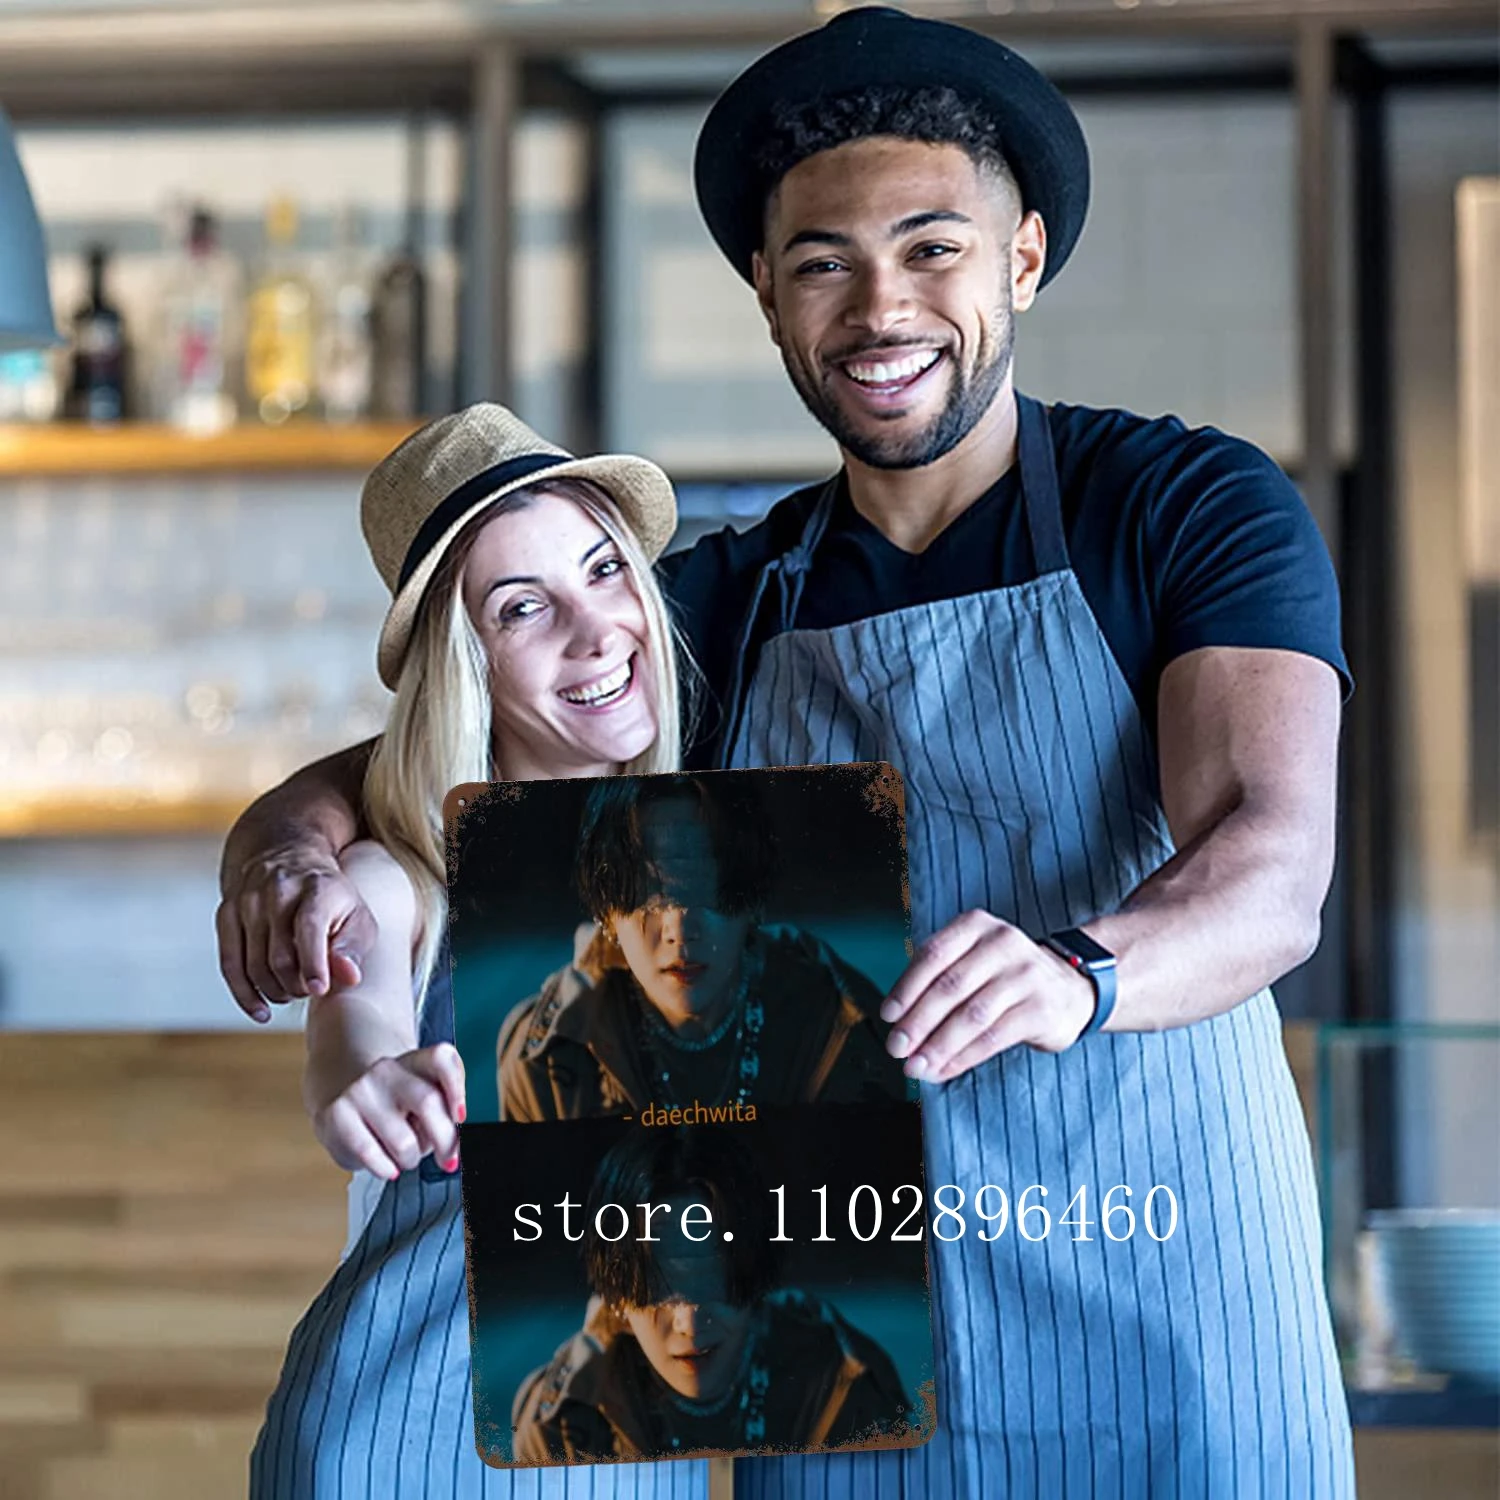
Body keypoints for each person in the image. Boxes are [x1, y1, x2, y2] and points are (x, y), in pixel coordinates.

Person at [219, 10, 1356, 1497]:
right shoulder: (726, 600)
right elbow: (423, 748)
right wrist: (282, 860)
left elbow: (1272, 870)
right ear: (767, 293)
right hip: (848, 1364)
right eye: (823, 262)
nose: (881, 308)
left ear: (1021, 258)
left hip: (1164, 1298)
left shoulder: (1179, 506)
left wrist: (1080, 972)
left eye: (932, 248)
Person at [243, 403, 711, 1499]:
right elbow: (355, 1027)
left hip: (638, 1446)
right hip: (411, 1442)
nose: (594, 630)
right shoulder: (402, 879)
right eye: (522, 608)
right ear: (469, 665)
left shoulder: (719, 867)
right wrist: (364, 1081)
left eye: (604, 569)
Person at [496, 773, 911, 1120]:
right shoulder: (544, 1059)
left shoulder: (842, 1030)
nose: (680, 929)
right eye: (649, 897)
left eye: (707, 892)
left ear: (751, 903)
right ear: (607, 914)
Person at [510, 1126, 915, 1463]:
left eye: (715, 1286)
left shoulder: (848, 1389)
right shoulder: (558, 1426)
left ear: (754, 1278)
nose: (690, 1323)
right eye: (659, 1293)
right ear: (617, 1297)